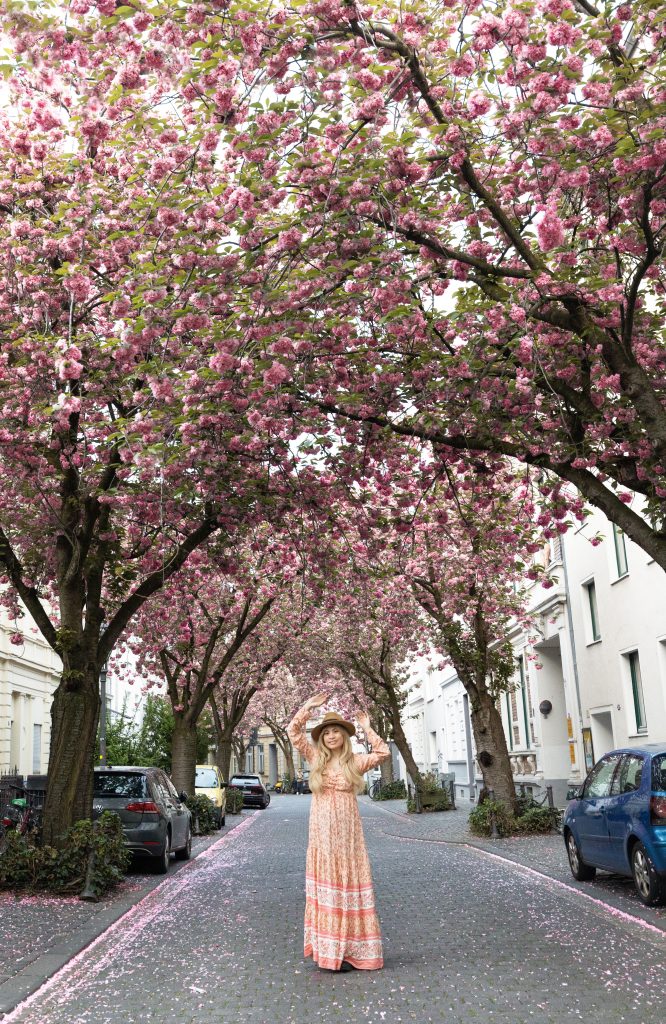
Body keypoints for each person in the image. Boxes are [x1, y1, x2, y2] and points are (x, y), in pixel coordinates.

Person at [287, 692, 390, 972]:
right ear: (322, 738)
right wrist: (308, 706)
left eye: (336, 732)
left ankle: (351, 951)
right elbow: (293, 732)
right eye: (327, 732)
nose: (331, 736)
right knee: (328, 892)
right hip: (322, 839)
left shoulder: (355, 762)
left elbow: (383, 753)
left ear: (344, 736)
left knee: (348, 891)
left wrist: (367, 728)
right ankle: (330, 951)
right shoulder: (315, 757)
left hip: (348, 840)